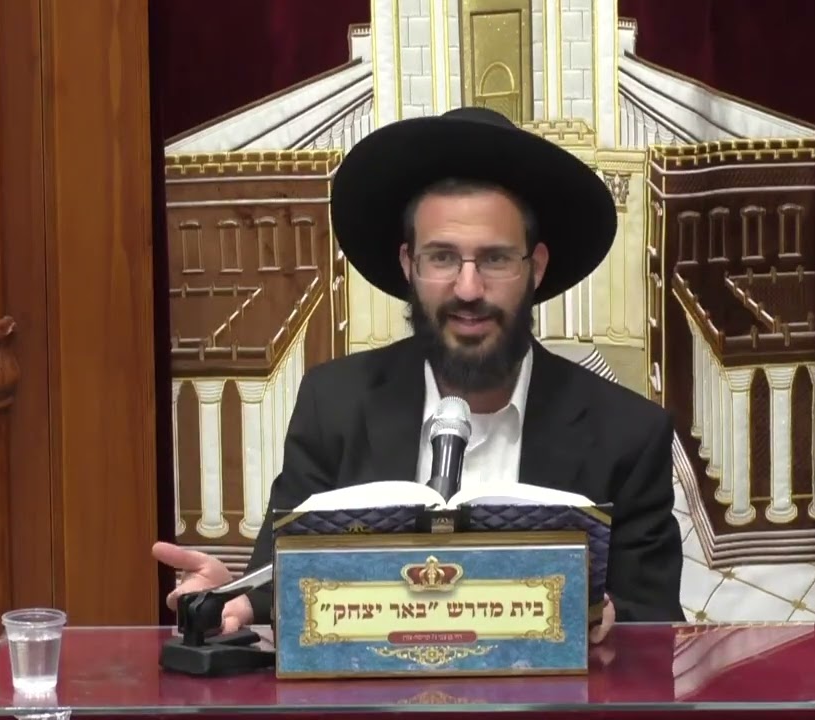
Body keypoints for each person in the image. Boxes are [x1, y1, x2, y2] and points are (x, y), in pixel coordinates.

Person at [152, 106, 684, 643]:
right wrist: (232, 598)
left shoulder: (627, 433)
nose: (469, 289)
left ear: (535, 268)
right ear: (409, 265)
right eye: (443, 258)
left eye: (496, 260)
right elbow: (280, 580)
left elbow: (654, 625)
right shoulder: (333, 405)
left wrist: (611, 621)